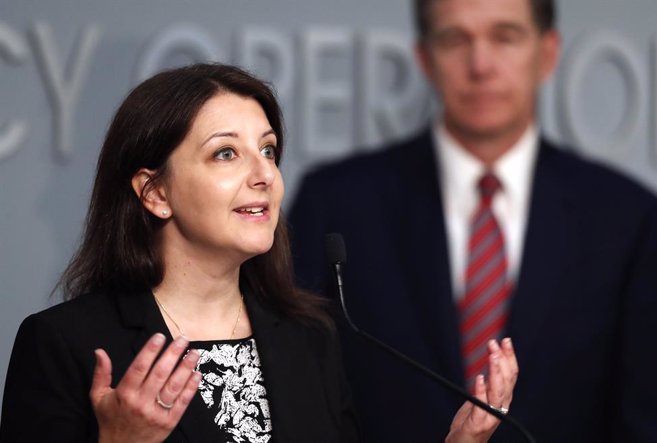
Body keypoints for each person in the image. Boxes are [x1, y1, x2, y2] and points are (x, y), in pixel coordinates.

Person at [0, 63, 517, 443]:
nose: (263, 174)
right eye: (226, 153)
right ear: (154, 193)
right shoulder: (66, 344)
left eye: (268, 150)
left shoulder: (309, 336)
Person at [288, 0, 657, 442]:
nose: (480, 65)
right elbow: (297, 401)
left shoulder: (627, 218)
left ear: (548, 53)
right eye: (456, 39)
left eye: (505, 37)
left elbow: (651, 426)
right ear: (425, 59)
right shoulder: (337, 203)